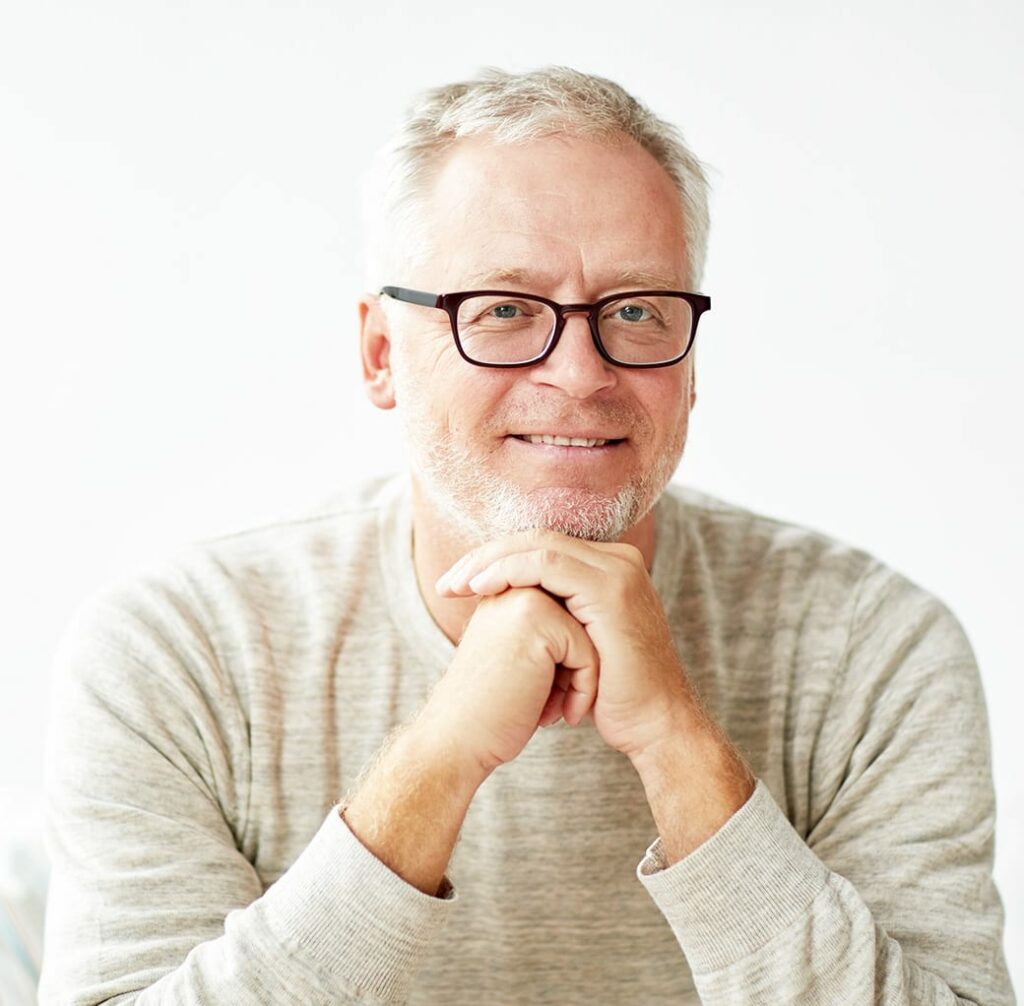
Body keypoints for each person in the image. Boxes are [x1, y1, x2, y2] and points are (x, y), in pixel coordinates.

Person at [39, 66, 1013, 1005]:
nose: (580, 371)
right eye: (501, 310)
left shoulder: (870, 647)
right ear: (382, 354)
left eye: (635, 311)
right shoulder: (175, 650)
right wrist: (442, 753)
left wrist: (678, 745)